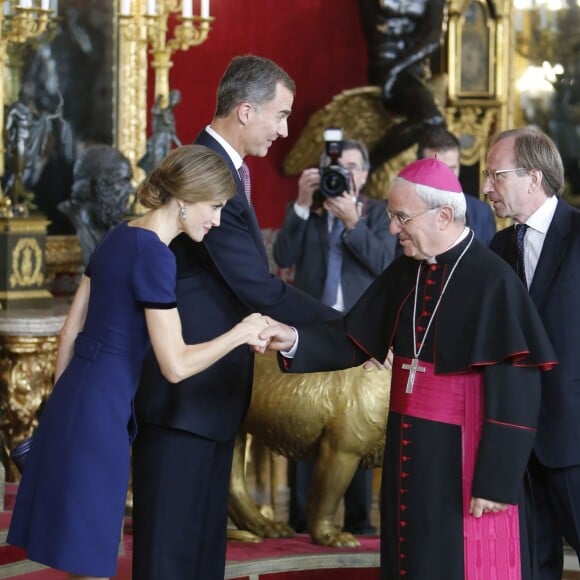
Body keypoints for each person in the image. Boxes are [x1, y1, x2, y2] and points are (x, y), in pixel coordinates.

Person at [260, 157, 557, 579]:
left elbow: (518, 388)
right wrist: (292, 338)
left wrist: (496, 481)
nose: (393, 229)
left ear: (444, 215)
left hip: (462, 456)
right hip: (409, 445)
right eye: (390, 216)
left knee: (452, 560)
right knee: (410, 557)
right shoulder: (406, 270)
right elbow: (352, 335)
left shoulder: (493, 281)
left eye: (401, 217)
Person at [6, 144, 271, 580]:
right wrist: (241, 333)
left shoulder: (119, 235)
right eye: (214, 207)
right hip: (104, 413)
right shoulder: (155, 254)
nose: (217, 219)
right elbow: (176, 365)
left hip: (77, 399)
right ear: (184, 199)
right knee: (91, 558)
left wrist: (63, 408)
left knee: (79, 551)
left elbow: (70, 331)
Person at [132, 55, 340, 580]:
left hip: (209, 397)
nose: (285, 129)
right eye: (281, 114)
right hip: (183, 397)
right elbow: (255, 286)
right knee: (171, 557)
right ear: (246, 111)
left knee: (200, 555)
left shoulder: (221, 168)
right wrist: (344, 323)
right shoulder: (205, 171)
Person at [273, 138, 397, 535]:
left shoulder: (379, 214)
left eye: (350, 168)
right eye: (335, 168)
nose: (342, 176)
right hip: (312, 333)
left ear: (363, 173)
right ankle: (299, 520)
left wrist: (352, 223)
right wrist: (300, 204)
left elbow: (386, 265)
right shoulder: (309, 212)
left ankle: (359, 520)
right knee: (303, 421)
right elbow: (283, 257)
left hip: (361, 335)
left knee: (354, 427)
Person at [485, 127, 580, 580]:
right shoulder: (499, 248)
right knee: (530, 569)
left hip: (575, 439)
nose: (486, 188)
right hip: (517, 443)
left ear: (533, 178)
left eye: (495, 175)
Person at [358, 0, 447, 171]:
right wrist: (388, 73)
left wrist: (394, 72)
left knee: (433, 119)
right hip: (382, 66)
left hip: (409, 72)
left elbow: (433, 37)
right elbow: (369, 26)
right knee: (431, 119)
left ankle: (368, 166)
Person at [417, 127, 497, 245]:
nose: (445, 177)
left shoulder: (482, 213)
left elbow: (491, 262)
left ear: (459, 166)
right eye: (437, 168)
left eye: (452, 168)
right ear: (419, 168)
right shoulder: (399, 212)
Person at [59, 144, 135, 265]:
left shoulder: (111, 227)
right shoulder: (67, 223)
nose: (131, 190)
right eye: (123, 181)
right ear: (98, 184)